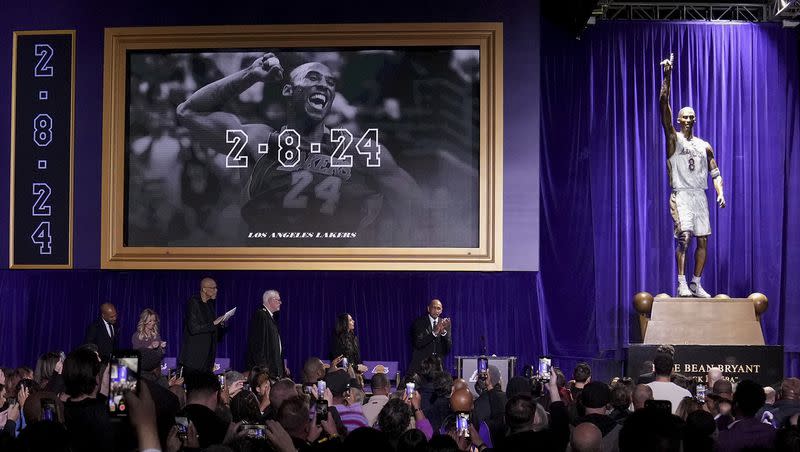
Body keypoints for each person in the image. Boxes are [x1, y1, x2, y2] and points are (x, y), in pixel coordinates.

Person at [176, 53, 427, 245]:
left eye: (330, 82)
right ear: (288, 90)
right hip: (267, 263)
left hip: (333, 267)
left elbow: (416, 207)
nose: (324, 86)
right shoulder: (260, 139)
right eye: (313, 78)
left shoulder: (359, 150)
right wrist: (251, 75)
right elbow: (188, 112)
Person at [659, 53, 726, 297]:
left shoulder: (704, 145)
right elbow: (663, 103)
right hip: (682, 195)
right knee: (684, 238)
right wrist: (667, 76)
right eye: (684, 116)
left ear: (695, 119)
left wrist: (720, 193)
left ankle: (696, 282)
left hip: (700, 195)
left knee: (703, 241)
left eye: (691, 116)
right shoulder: (672, 139)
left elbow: (715, 172)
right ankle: (681, 282)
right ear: (678, 120)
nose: (688, 119)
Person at [178, 277, 228, 372]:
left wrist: (220, 323)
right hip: (194, 358)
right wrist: (214, 323)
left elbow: (211, 328)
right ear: (204, 289)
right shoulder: (193, 303)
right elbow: (193, 328)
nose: (216, 290)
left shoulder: (209, 305)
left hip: (208, 358)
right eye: (213, 288)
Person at [246, 289, 289, 378]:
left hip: (274, 370)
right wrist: (263, 369)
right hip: (267, 371)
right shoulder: (261, 315)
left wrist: (281, 365)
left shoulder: (270, 317)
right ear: (270, 300)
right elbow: (257, 345)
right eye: (278, 300)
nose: (280, 303)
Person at [409, 299, 452, 374]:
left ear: (441, 310)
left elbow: (447, 348)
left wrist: (443, 332)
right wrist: (434, 333)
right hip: (421, 367)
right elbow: (418, 343)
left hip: (437, 368)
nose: (436, 310)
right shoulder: (419, 322)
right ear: (428, 308)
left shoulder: (445, 324)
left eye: (438, 308)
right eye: (434, 308)